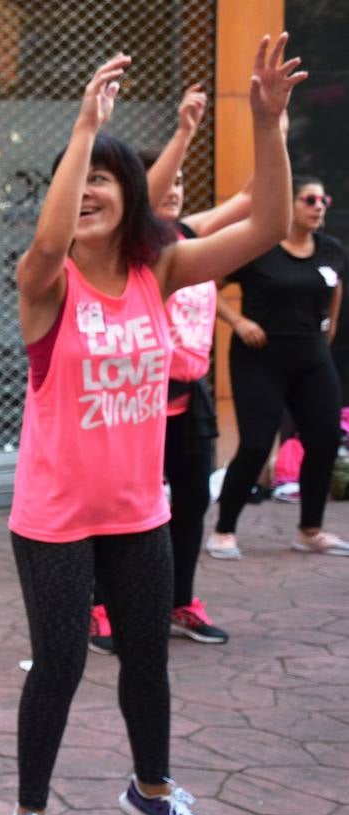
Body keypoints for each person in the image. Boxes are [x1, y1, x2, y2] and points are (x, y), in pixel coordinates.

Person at [5, 37, 303, 815]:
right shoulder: (45, 285)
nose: (89, 191)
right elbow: (49, 240)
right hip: (55, 517)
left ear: (132, 194)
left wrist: (269, 124)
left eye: (106, 177)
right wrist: (83, 128)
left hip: (139, 510)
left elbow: (269, 224)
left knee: (148, 658)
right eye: (78, 179)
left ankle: (153, 789)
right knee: (60, 665)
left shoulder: (159, 269)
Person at [89, 86, 250, 653]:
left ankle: (180, 600)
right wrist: (184, 132)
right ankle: (100, 605)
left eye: (182, 181)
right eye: (166, 181)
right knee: (118, 509)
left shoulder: (190, 236)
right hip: (134, 398)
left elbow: (254, 203)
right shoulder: (128, 251)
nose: (176, 189)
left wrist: (271, 123)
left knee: (191, 502)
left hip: (188, 395)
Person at [207, 172, 347, 558]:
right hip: (259, 360)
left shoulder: (331, 249)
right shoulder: (257, 248)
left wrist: (325, 335)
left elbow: (335, 291)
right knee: (255, 445)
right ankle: (224, 530)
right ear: (288, 204)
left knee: (324, 440)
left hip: (312, 359)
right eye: (309, 200)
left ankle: (310, 531)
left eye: (323, 201)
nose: (318, 207)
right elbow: (206, 287)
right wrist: (238, 322)